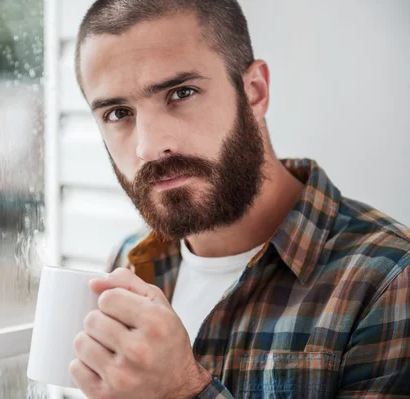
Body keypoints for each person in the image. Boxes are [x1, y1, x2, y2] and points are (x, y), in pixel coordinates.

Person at [68, 0, 410, 398]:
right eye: (117, 113)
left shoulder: (388, 280)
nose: (149, 146)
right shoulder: (129, 264)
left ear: (255, 92)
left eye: (181, 92)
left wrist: (181, 390)